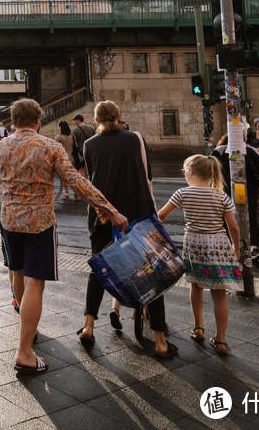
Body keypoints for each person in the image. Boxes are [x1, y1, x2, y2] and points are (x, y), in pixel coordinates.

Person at [0, 98, 128, 375]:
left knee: (17, 275)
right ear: (38, 120)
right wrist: (110, 210)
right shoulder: (50, 147)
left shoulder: (1, 146)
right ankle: (24, 352)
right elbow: (77, 182)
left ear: (14, 121)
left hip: (9, 222)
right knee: (34, 284)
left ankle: (27, 330)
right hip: (39, 224)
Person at [78, 101, 176, 358]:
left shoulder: (89, 145)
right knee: (151, 269)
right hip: (138, 213)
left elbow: (92, 180)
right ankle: (160, 340)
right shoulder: (136, 139)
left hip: (103, 215)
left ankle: (88, 326)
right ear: (120, 117)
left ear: (95, 120)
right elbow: (147, 176)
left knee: (99, 268)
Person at [157, 154, 241, 355]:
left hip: (194, 243)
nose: (184, 173)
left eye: (185, 170)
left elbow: (160, 215)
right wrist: (235, 248)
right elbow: (234, 227)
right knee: (219, 294)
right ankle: (220, 340)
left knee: (196, 285)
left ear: (191, 171)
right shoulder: (220, 195)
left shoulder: (182, 193)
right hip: (219, 245)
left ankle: (198, 328)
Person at [213, 132, 259, 264]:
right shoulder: (220, 150)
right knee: (226, 219)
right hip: (225, 191)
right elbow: (210, 169)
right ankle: (228, 247)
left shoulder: (250, 151)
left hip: (248, 190)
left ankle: (252, 248)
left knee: (250, 217)